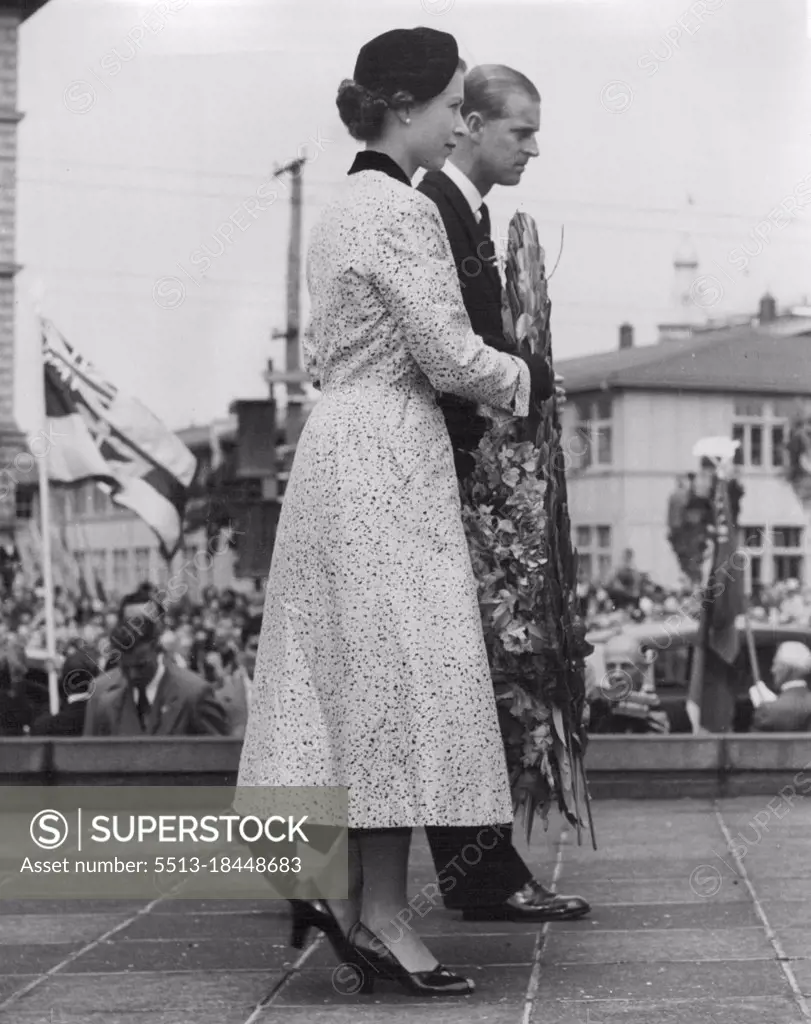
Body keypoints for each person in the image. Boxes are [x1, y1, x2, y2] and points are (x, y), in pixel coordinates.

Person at [235, 27, 553, 999]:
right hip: (389, 459)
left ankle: (370, 906)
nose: (462, 122)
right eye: (455, 105)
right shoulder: (404, 213)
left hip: (340, 447)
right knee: (402, 690)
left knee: (370, 695)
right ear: (406, 106)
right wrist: (530, 378)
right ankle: (375, 911)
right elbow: (449, 353)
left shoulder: (341, 206)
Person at [416, 64, 588, 924]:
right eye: (518, 131)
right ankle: (477, 874)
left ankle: (477, 870)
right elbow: (452, 352)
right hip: (437, 478)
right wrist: (531, 378)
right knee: (456, 684)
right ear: (472, 124)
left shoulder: (465, 212)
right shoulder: (433, 210)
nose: (531, 147)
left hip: (460, 473)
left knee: (463, 685)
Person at [83, 616, 228, 736]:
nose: (133, 675)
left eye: (141, 666)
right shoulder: (107, 703)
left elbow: (220, 758)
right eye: (125, 668)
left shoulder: (194, 695)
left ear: (156, 648)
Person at [587, 633, 670, 735]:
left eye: (626, 666)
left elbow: (656, 743)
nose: (617, 674)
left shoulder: (654, 703)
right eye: (611, 666)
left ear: (643, 668)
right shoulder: (597, 702)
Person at [750, 641, 811, 732]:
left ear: (786, 669)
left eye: (775, 664)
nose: (772, 670)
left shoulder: (769, 711)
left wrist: (764, 707)